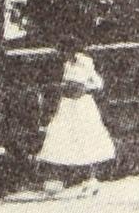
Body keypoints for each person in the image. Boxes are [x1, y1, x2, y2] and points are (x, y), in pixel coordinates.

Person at [35, 46, 115, 195]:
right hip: (66, 105)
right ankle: (56, 179)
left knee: (87, 139)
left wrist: (84, 89)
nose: (64, 54)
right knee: (58, 137)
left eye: (65, 51)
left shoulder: (85, 62)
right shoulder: (65, 64)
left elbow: (97, 83)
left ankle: (91, 180)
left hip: (82, 106)